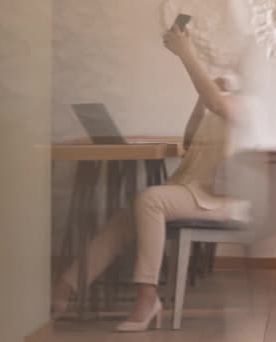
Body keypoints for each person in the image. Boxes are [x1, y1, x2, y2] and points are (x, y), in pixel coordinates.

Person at [51, 26, 248, 332]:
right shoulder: (225, 101)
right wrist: (204, 95)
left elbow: (219, 105)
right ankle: (64, 289)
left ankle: (147, 297)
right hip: (194, 190)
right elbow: (190, 138)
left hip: (222, 200)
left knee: (151, 200)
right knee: (125, 216)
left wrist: (187, 54)